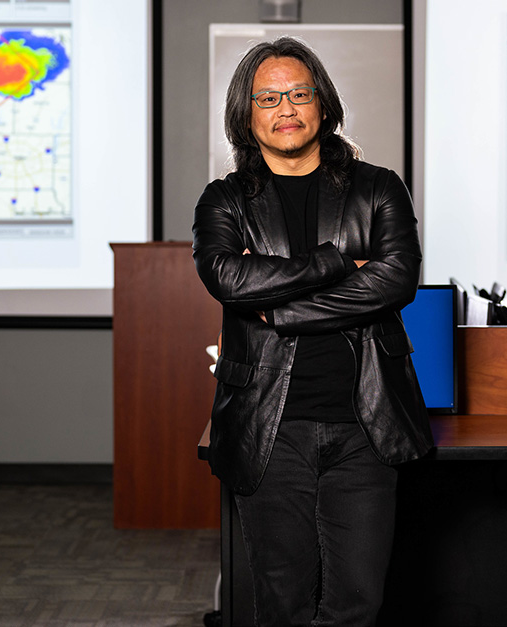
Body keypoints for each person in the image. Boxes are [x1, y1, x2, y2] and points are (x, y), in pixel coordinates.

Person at [192, 37, 433, 626]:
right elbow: (228, 277)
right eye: (268, 98)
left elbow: (397, 279)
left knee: (358, 604)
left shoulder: (378, 188)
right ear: (246, 116)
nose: (286, 109)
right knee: (282, 605)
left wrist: (284, 308)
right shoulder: (224, 201)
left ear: (323, 104)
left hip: (366, 427)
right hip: (269, 430)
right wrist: (334, 263)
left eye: (299, 94)